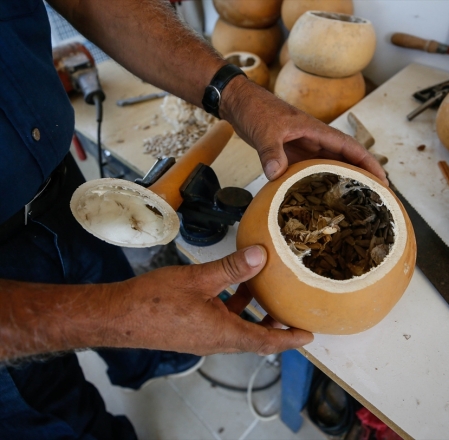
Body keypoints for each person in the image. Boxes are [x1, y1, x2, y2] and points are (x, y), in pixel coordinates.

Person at [0, 0, 386, 438]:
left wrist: (238, 96)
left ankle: (143, 357)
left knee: (88, 317)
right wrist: (115, 315)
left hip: (56, 191)